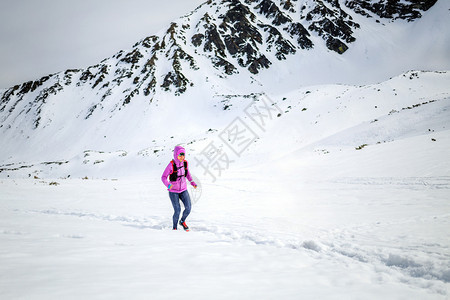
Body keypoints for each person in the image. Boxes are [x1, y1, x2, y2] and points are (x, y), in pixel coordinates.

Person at [161, 145, 197, 231]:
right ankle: (174, 228)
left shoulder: (185, 163)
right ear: (175, 155)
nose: (181, 157)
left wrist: (192, 182)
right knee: (177, 210)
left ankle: (182, 221)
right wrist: (168, 185)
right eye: (180, 155)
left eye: (183, 155)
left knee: (188, 208)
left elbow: (187, 174)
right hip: (173, 191)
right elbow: (163, 177)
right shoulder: (171, 165)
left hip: (183, 189)